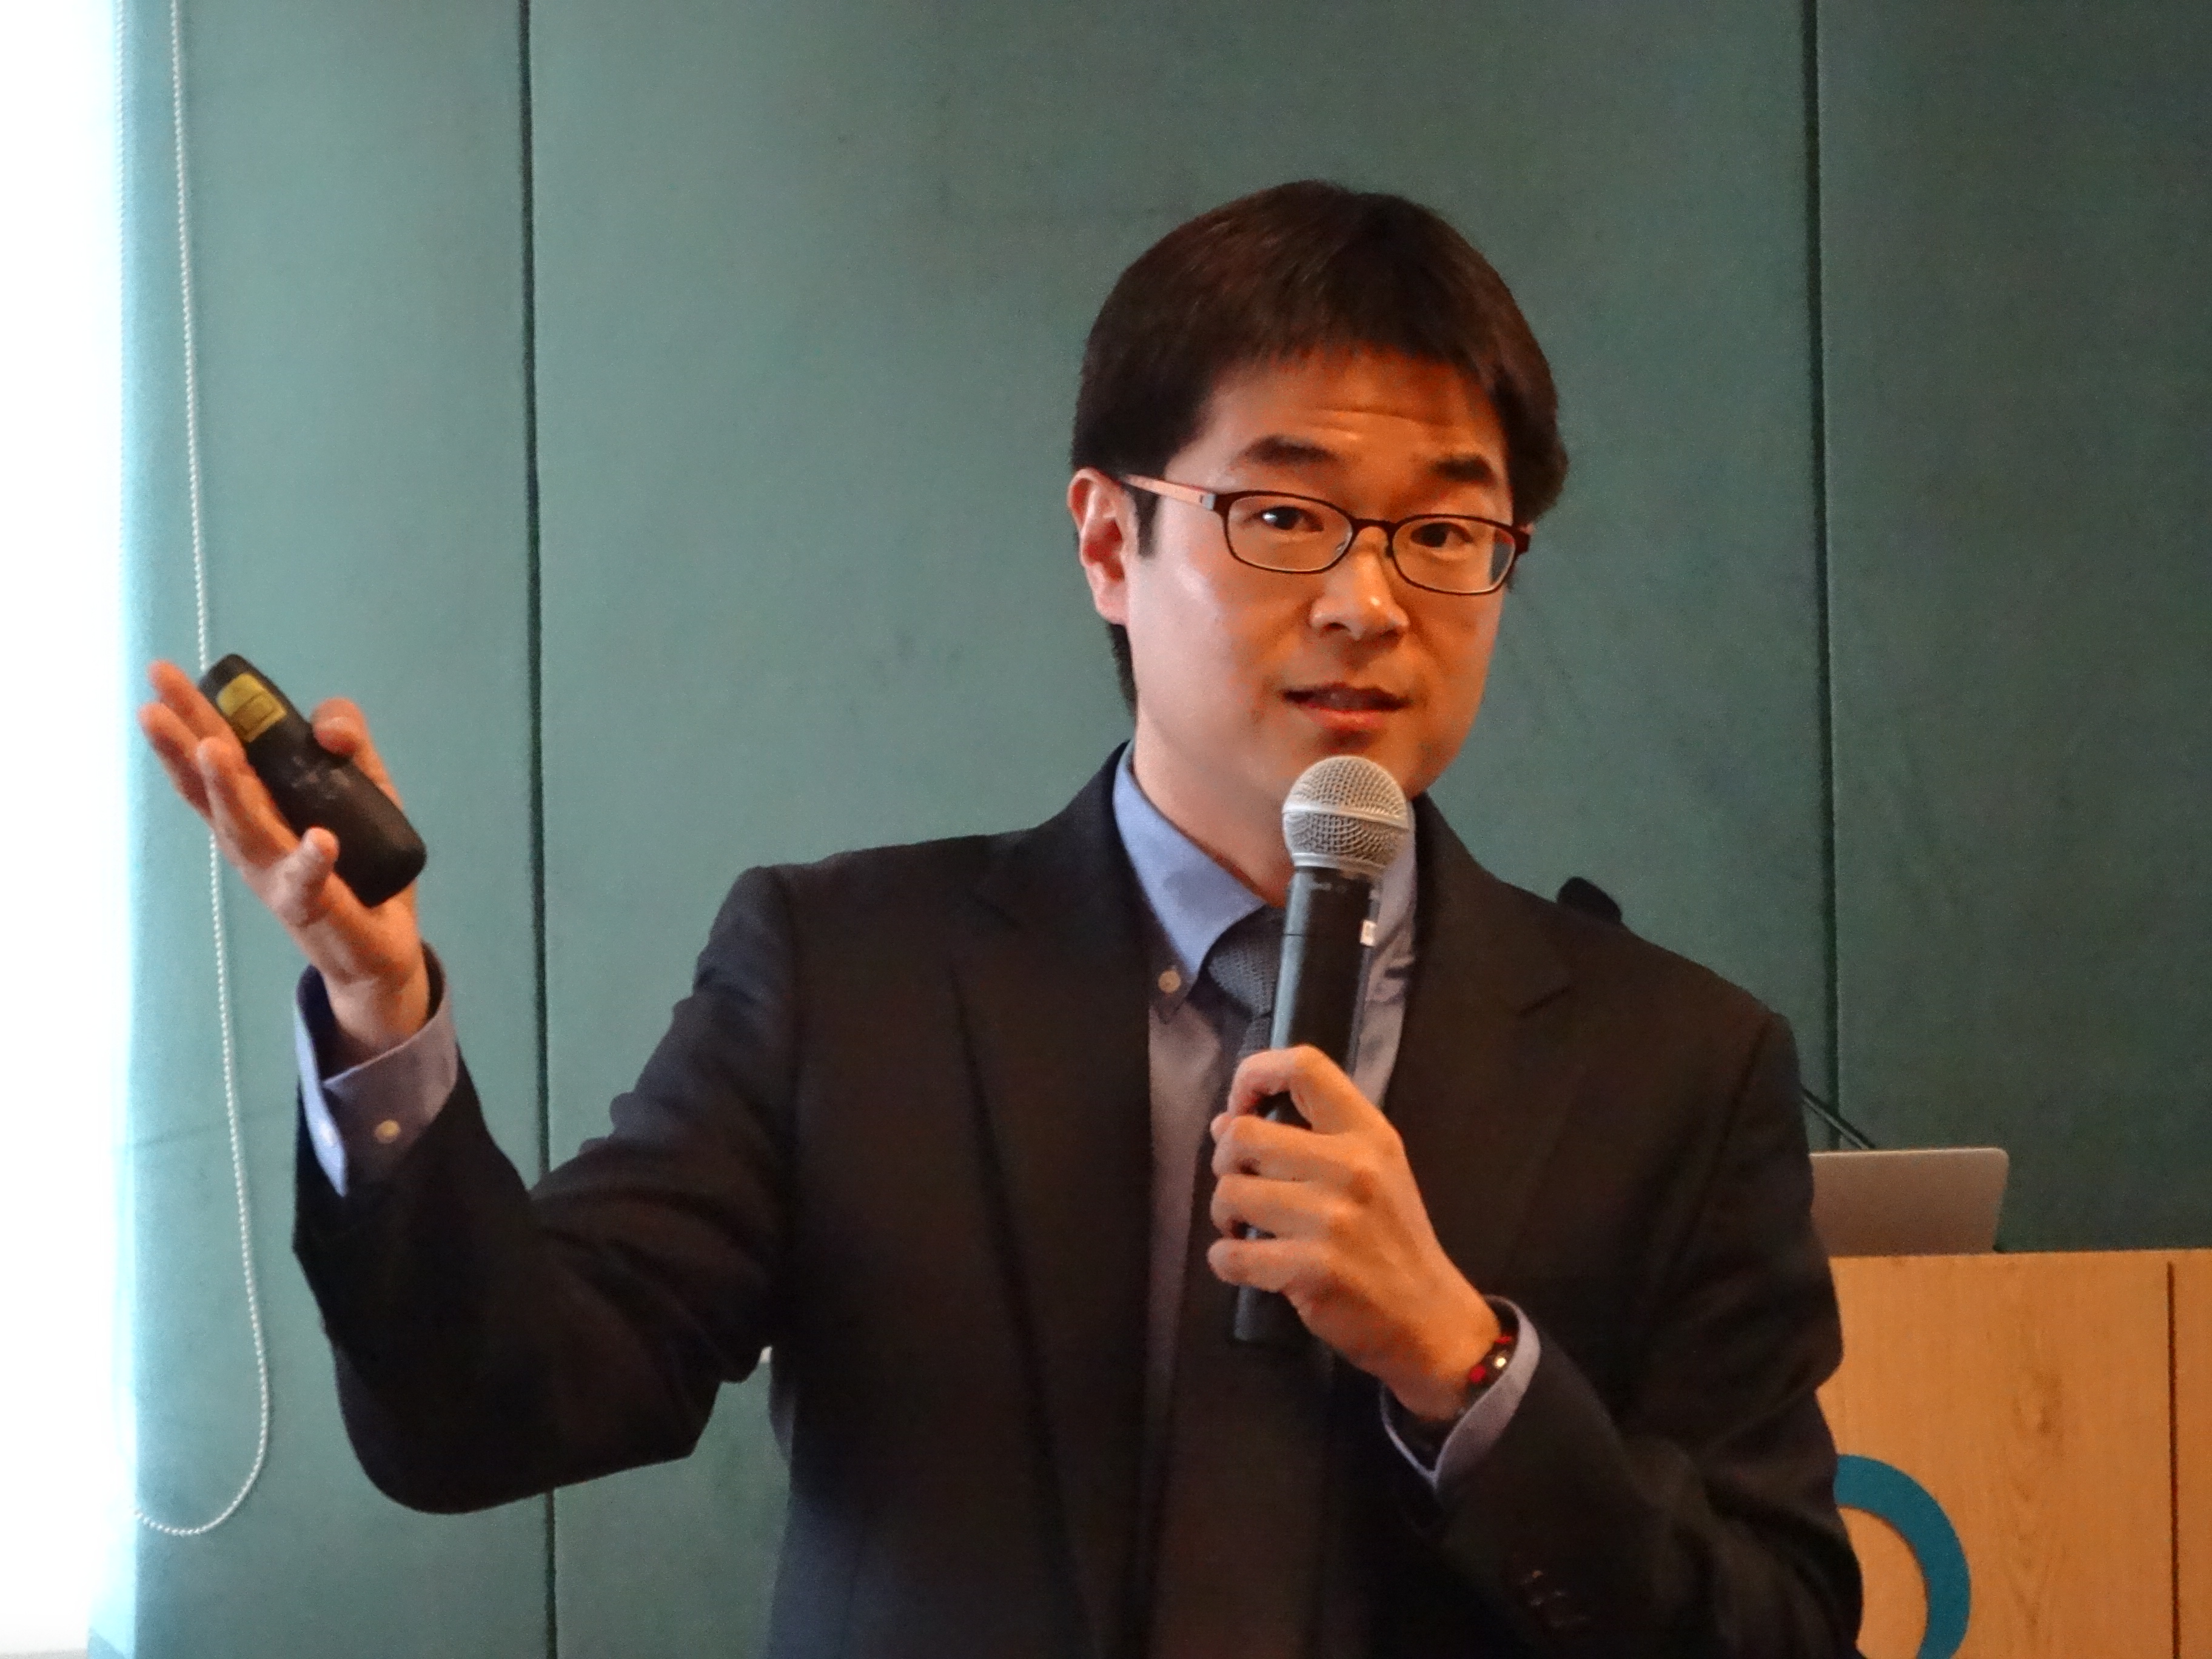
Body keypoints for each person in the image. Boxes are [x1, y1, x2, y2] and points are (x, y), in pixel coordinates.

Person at [141, 181, 1860, 1657]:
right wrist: (382, 1020)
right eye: (1283, 515)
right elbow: (491, 1409)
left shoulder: (1680, 1066)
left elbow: (1780, 1622)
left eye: (1445, 530)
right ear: (1109, 541)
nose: (1367, 598)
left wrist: (1465, 1367)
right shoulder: (849, 979)